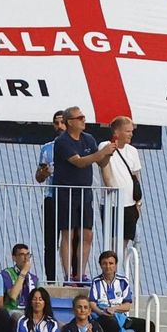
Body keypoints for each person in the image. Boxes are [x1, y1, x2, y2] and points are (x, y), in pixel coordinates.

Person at [50, 106, 116, 285]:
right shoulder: (62, 141)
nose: (83, 120)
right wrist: (101, 153)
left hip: (85, 192)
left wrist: (108, 154)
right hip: (66, 192)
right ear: (70, 122)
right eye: (80, 118)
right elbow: (79, 162)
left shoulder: (89, 138)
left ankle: (80, 274)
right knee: (68, 233)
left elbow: (100, 161)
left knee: (87, 234)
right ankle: (68, 275)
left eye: (83, 117)